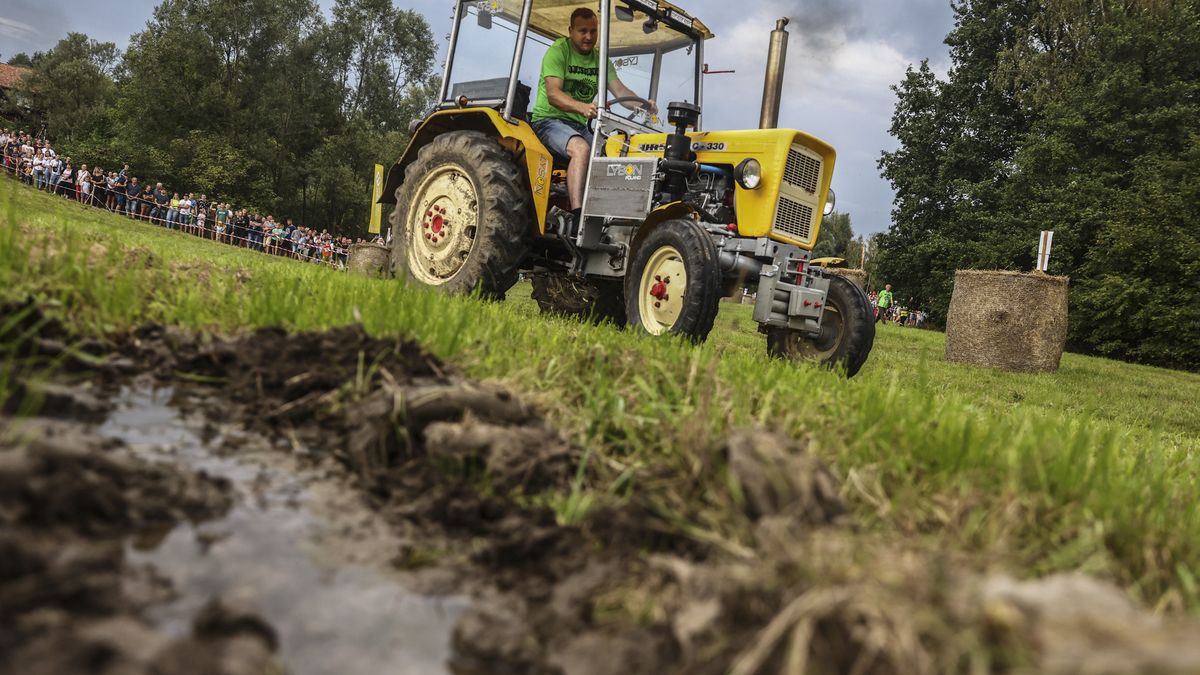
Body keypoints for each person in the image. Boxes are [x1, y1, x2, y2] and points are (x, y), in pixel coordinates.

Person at [529, 7, 656, 219]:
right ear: (571, 31)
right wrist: (582, 107)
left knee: (612, 153)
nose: (589, 37)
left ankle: (613, 213)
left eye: (593, 31)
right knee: (581, 149)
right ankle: (578, 215)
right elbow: (553, 94)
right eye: (583, 31)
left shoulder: (600, 59)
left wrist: (643, 105)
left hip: (579, 125)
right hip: (549, 121)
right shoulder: (559, 51)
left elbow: (620, 90)